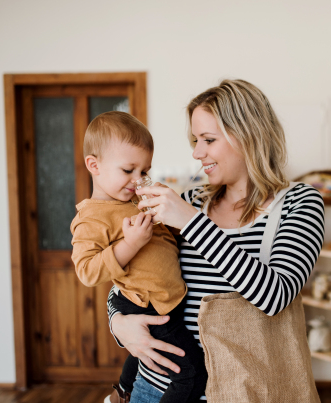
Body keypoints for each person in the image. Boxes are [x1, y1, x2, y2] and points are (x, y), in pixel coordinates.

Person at [108, 79, 326, 402]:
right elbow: (128, 277)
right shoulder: (190, 200)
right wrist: (118, 323)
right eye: (196, 140)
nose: (197, 153)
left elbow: (275, 294)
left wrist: (191, 223)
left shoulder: (299, 203)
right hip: (158, 389)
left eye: (208, 139)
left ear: (248, 135)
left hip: (249, 393)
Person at [70, 111, 207, 403]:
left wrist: (173, 216)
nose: (137, 180)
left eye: (144, 171)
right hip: (145, 303)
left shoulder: (135, 201)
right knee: (191, 373)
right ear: (94, 165)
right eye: (128, 170)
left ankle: (121, 392)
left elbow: (165, 245)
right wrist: (130, 245)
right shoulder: (91, 217)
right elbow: (87, 271)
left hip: (163, 298)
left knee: (147, 351)